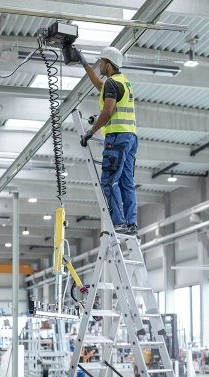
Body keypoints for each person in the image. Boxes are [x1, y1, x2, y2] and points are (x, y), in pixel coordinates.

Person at [77, 47, 138, 236]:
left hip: (117, 137)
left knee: (109, 181)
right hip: (130, 137)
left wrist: (90, 131)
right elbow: (99, 85)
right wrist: (84, 63)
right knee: (126, 182)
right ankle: (131, 223)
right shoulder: (123, 82)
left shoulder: (112, 84)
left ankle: (118, 223)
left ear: (109, 65)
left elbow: (107, 112)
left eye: (101, 62)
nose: (100, 65)